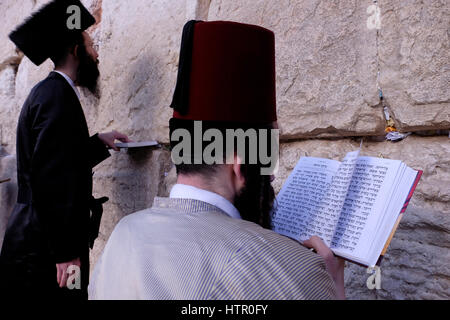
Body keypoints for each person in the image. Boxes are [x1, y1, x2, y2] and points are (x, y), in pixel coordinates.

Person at [89, 20, 345, 300]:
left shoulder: (123, 233)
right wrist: (330, 287)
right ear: (240, 163)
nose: (271, 176)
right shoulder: (299, 270)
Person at [0, 0, 130, 300]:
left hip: (41, 244)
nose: (96, 55)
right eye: (91, 45)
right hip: (49, 253)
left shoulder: (49, 92)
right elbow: (52, 180)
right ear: (75, 50)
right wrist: (67, 254)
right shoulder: (57, 96)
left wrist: (98, 142)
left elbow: (59, 161)